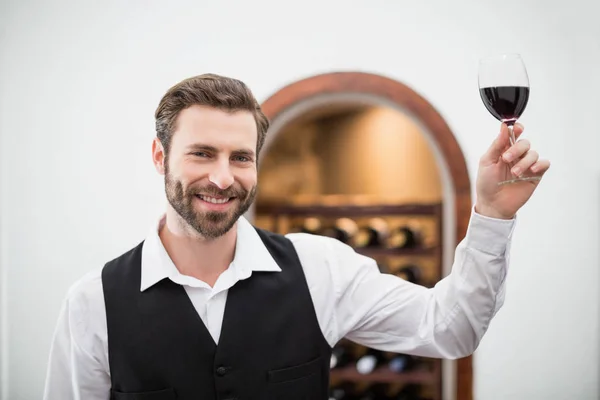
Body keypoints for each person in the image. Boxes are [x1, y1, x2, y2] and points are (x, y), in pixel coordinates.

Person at [42, 73, 550, 400]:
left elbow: (452, 329)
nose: (223, 178)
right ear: (160, 157)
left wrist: (490, 215)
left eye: (241, 157)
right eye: (202, 153)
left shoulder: (321, 268)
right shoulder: (93, 302)